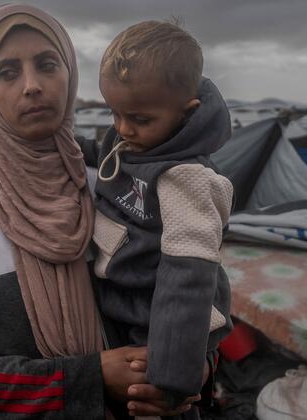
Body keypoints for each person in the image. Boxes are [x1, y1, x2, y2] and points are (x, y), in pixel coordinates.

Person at [0, 5, 210, 419]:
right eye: (7, 72)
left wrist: (196, 368)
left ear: (71, 74)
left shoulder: (110, 182)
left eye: (47, 65)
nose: (32, 86)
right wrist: (90, 378)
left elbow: (188, 291)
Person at [77, 21, 235, 410]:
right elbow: (105, 157)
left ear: (186, 112)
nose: (123, 129)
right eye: (114, 113)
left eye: (140, 119)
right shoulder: (135, 138)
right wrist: (62, 146)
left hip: (160, 317)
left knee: (149, 399)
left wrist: (173, 380)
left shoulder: (187, 180)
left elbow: (188, 276)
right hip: (125, 297)